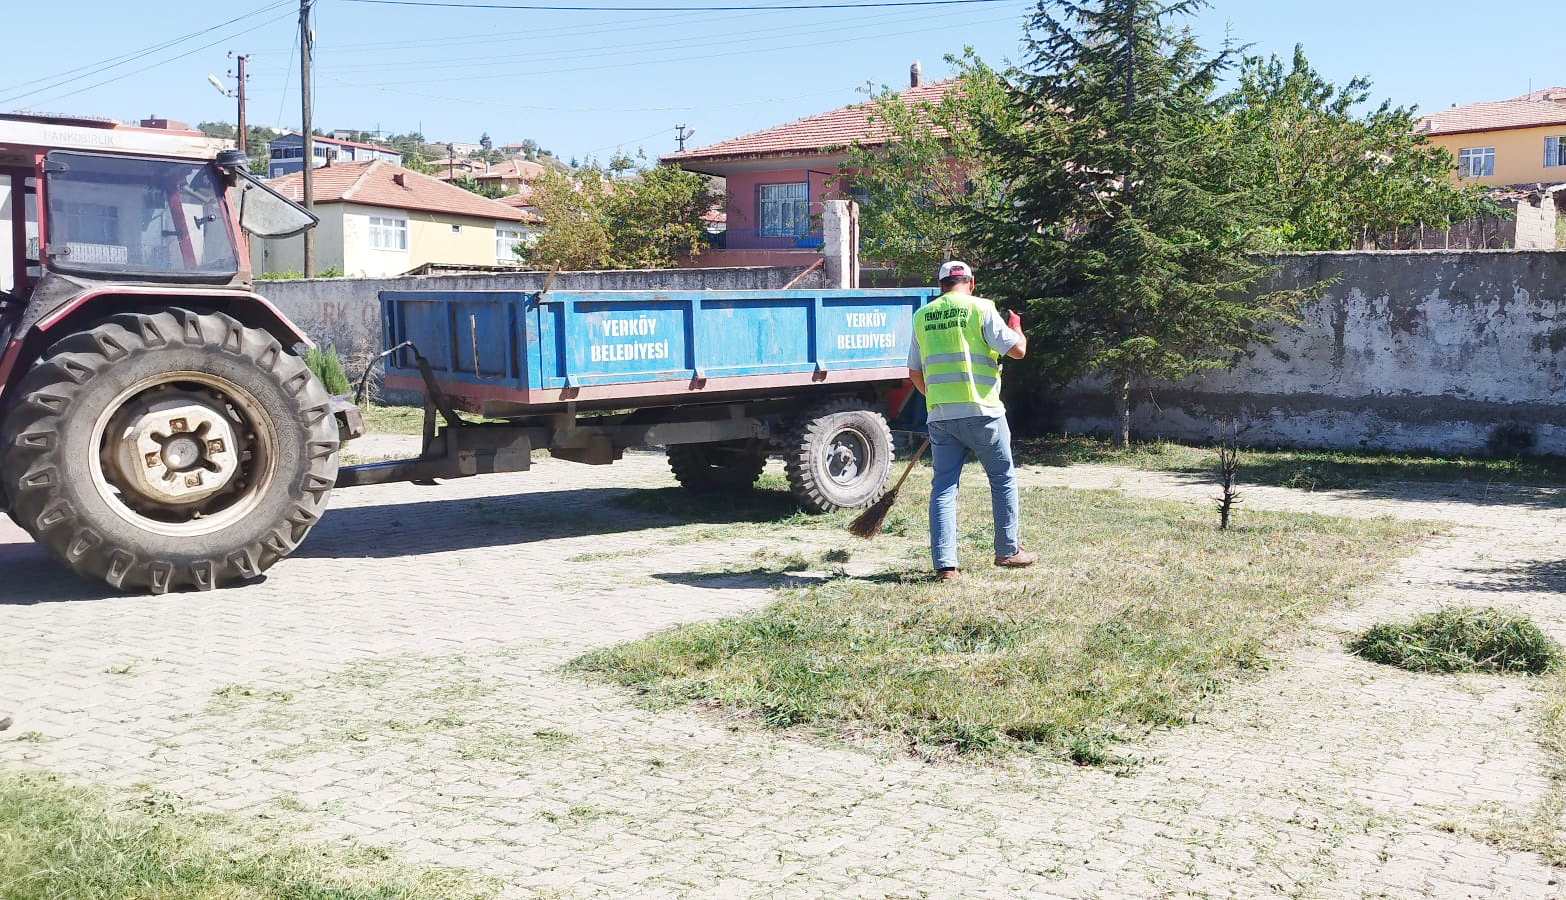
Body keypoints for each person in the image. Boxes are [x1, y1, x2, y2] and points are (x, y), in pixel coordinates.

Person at [907, 260, 1037, 582]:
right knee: (1002, 479)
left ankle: (946, 567)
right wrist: (1017, 326)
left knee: (943, 489)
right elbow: (1018, 351)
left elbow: (914, 373)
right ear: (972, 283)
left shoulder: (921, 317)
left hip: (940, 417)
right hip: (984, 414)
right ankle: (1008, 551)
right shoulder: (982, 309)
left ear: (939, 287)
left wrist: (938, 401)